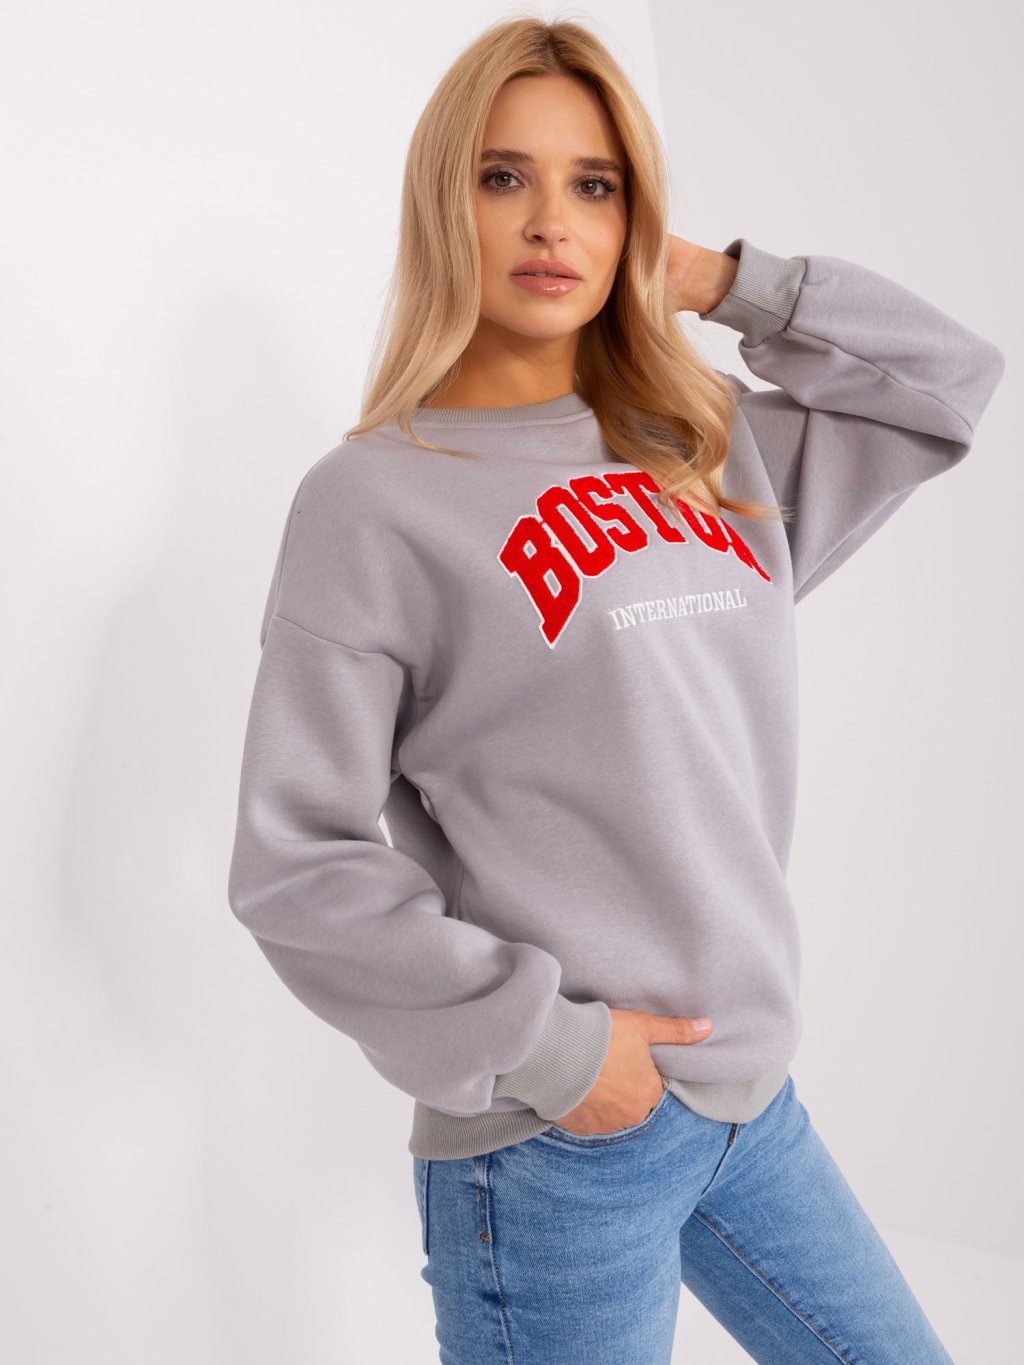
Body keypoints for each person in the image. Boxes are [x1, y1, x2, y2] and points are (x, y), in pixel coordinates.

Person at [226, 16, 1004, 1364]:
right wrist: (555, 1051)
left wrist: (716, 279)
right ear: (444, 202)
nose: (551, 222)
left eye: (595, 185)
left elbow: (946, 383)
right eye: (503, 176)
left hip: (747, 1096)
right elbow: (296, 863)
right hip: (557, 1133)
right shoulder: (375, 501)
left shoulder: (703, 443)